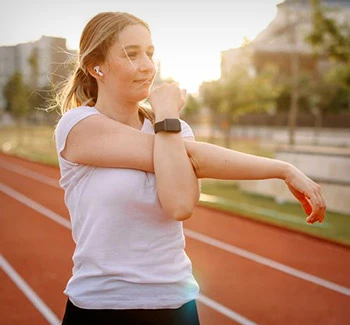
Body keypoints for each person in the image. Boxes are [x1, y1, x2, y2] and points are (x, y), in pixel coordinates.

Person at [54, 11, 326, 325]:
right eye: (131, 54)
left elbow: (180, 204)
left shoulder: (174, 131)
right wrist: (166, 113)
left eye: (150, 53)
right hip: (100, 307)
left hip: (175, 306)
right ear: (95, 66)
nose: (146, 66)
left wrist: (284, 169)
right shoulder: (77, 126)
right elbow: (192, 158)